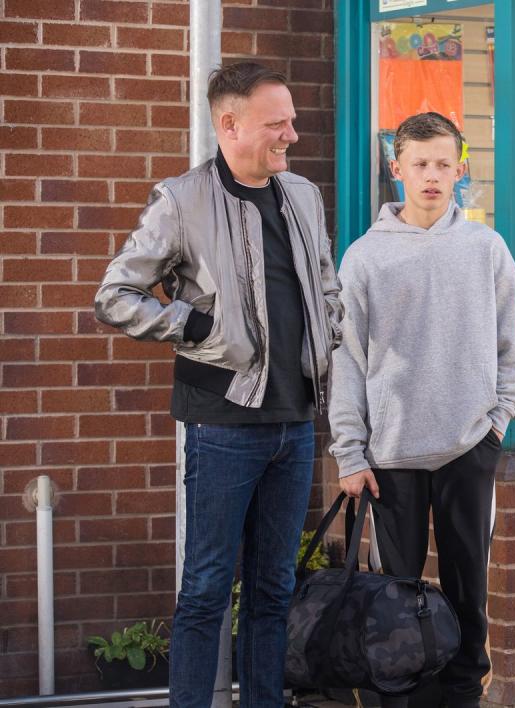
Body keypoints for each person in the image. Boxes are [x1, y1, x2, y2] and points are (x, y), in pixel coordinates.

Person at [94, 62, 342, 708]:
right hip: (222, 425)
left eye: (292, 119)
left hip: (295, 425)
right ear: (229, 124)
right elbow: (114, 295)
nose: (293, 134)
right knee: (205, 590)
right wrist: (194, 324)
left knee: (273, 591)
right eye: (277, 123)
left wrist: (329, 334)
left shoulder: (304, 197)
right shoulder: (180, 201)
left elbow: (326, 284)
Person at [328, 112, 515, 708]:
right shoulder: (365, 258)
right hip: (391, 454)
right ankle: (401, 696)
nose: (432, 176)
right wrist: (350, 450)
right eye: (420, 164)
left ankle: (466, 693)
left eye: (444, 164)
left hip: (469, 445)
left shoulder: (485, 248)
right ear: (397, 170)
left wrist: (497, 423)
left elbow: (512, 347)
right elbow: (348, 361)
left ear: (461, 169)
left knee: (470, 587)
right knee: (396, 593)